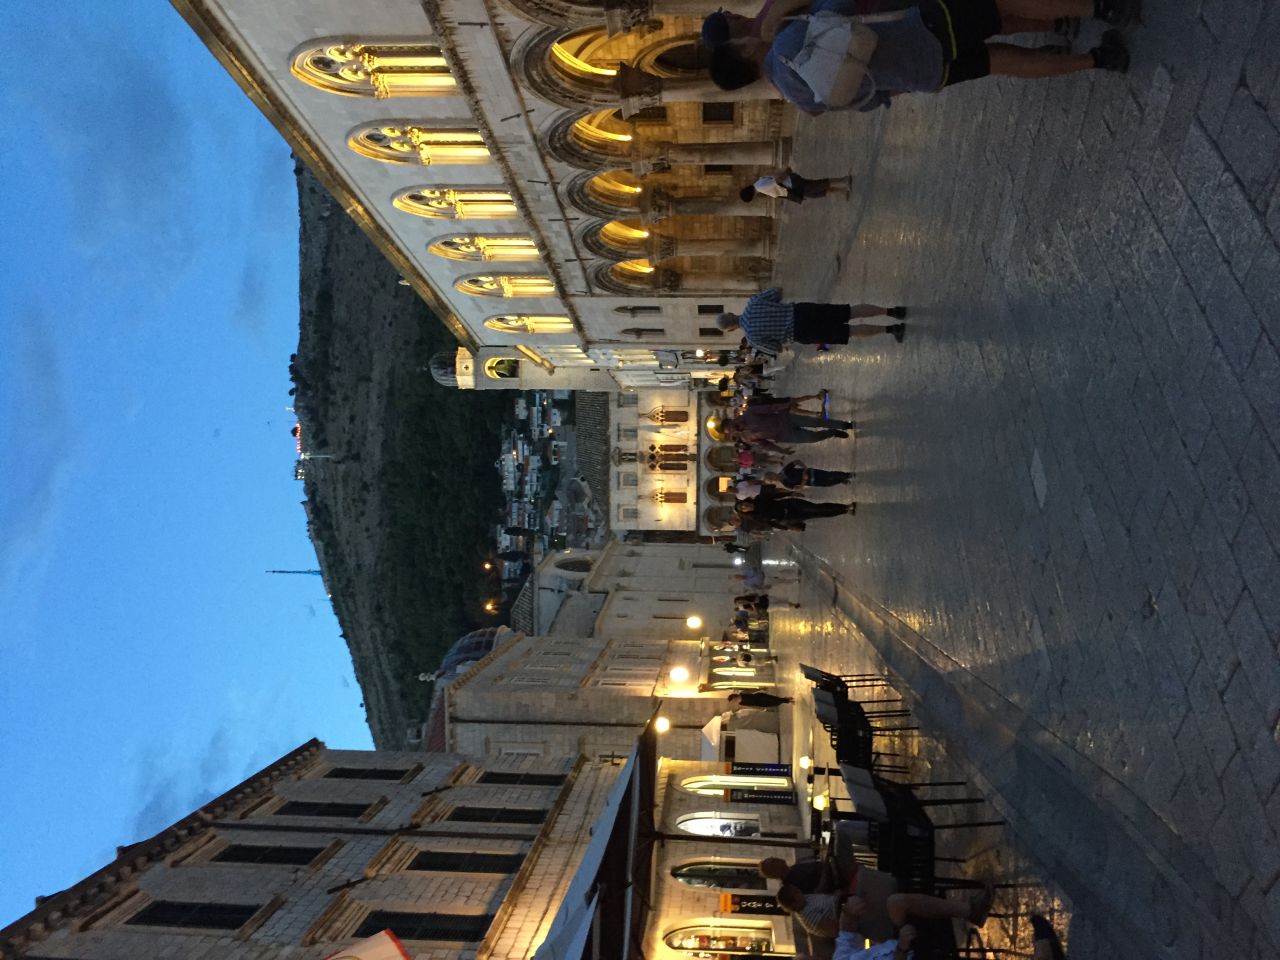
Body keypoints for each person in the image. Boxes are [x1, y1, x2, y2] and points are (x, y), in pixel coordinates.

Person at [710, 0, 1133, 111]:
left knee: (1001, 61)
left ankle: (1098, 60)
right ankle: (1103, 8)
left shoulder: (796, 97)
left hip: (922, 74)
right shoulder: (786, 41)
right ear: (740, 50)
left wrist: (902, 83)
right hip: (921, 30)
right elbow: (839, 5)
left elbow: (864, 101)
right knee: (1001, 4)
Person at [718, 289, 905, 355]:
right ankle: (891, 311)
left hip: (801, 332)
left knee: (850, 332)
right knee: (850, 312)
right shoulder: (753, 303)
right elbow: (777, 291)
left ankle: (891, 329)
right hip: (802, 311)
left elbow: (776, 349)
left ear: (731, 329)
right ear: (731, 313)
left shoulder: (752, 338)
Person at [742, 167, 852, 203]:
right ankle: (841, 191)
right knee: (816, 193)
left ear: (751, 196)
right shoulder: (759, 183)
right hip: (792, 186)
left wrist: (786, 171)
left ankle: (843, 181)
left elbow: (777, 181)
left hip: (792, 183)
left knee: (818, 185)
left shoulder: (761, 187)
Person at [767, 459, 855, 489]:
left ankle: (846, 475)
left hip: (812, 473)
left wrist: (805, 468)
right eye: (771, 481)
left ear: (773, 473)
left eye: (771, 477)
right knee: (828, 484)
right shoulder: (785, 484)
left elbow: (796, 461)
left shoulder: (785, 470)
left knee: (829, 475)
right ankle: (840, 480)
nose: (773, 480)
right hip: (812, 482)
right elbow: (798, 488)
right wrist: (804, 481)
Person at [728, 690, 794, 708]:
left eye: (732, 700)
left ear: (733, 697)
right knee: (774, 704)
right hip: (758, 703)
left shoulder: (742, 693)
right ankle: (785, 699)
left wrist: (760, 689)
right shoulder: (740, 703)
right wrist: (759, 708)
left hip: (758, 697)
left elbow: (751, 691)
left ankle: (787, 700)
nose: (733, 701)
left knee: (773, 699)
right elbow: (750, 706)